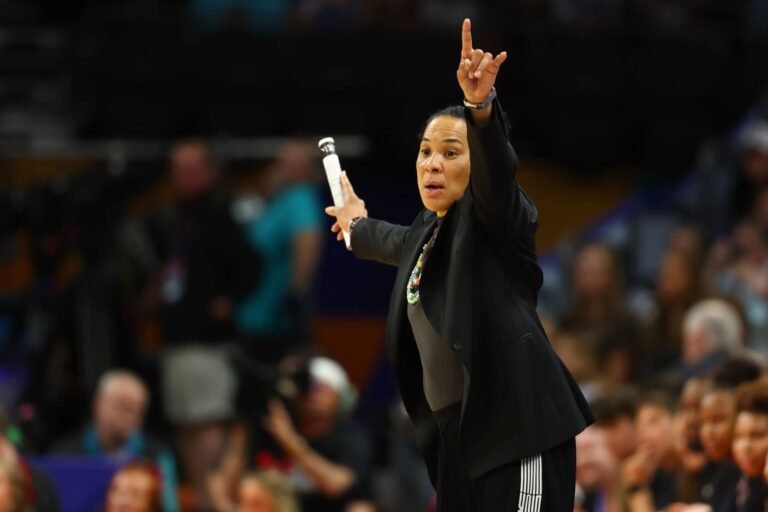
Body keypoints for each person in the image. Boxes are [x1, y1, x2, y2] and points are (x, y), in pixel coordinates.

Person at [324, 18, 592, 511]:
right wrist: (356, 225)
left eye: (451, 152)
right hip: (460, 440)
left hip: (518, 427)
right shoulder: (429, 233)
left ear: (478, 165)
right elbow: (393, 240)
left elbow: (498, 179)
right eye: (425, 152)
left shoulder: (499, 221)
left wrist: (480, 109)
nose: (432, 163)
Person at [53, 370, 178, 512]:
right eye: (122, 405)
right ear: (97, 404)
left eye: (138, 410)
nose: (130, 415)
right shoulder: (64, 456)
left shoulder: (156, 456)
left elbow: (168, 507)